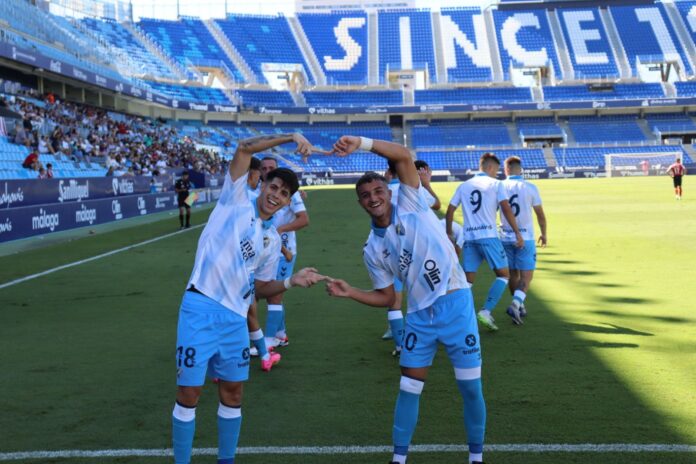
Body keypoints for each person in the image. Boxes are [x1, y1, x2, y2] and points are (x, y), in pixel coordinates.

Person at [326, 136, 486, 464]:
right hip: (419, 318)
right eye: (366, 196)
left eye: (378, 192)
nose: (373, 198)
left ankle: (476, 457)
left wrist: (361, 143)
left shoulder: (411, 200)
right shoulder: (372, 248)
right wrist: (351, 292)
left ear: (390, 191)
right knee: (409, 387)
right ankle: (398, 459)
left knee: (470, 389)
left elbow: (401, 155)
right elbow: (387, 297)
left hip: (456, 307)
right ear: (360, 203)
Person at [171, 133, 327, 464]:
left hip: (234, 319)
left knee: (233, 393)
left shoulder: (272, 238)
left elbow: (261, 287)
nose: (277, 196)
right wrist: (291, 137)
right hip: (200, 306)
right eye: (274, 188)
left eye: (284, 194)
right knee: (189, 393)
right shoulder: (236, 198)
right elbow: (243, 148)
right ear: (263, 185)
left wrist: (291, 281)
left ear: (288, 203)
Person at [446, 153, 523, 331]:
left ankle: (454, 315)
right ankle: (486, 311)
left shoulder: (464, 185)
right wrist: (517, 232)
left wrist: (449, 233)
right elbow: (506, 208)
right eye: (496, 170)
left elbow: (450, 211)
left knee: (467, 281)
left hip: (469, 238)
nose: (497, 174)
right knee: (504, 275)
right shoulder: (496, 184)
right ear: (489, 168)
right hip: (488, 236)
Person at [381, 159, 441, 356]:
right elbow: (437, 205)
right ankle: (427, 335)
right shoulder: (414, 190)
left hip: (387, 248)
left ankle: (398, 342)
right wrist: (426, 184)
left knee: (394, 300)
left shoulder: (384, 190)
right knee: (424, 295)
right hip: (414, 250)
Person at [259, 157, 309, 349]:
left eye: (271, 167)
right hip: (264, 252)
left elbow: (304, 220)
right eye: (264, 168)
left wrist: (279, 230)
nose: (267, 170)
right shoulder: (261, 190)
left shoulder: (290, 194)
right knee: (270, 293)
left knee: (274, 296)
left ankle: (269, 341)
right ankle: (281, 334)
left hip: (283, 253)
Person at [500, 157, 547, 324]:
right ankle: (516, 304)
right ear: (520, 169)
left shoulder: (499, 187)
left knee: (513, 274)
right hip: (525, 238)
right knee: (526, 277)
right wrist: (544, 233)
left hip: (505, 237)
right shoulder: (530, 187)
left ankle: (519, 305)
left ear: (506, 170)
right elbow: (540, 214)